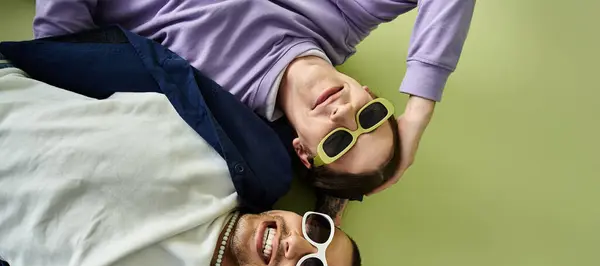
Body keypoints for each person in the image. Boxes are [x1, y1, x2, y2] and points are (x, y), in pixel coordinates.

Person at [0, 51, 437, 266]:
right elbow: (323, 113)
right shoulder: (250, 152)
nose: (300, 246)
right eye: (318, 231)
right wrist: (377, 159)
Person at [33, 0, 476, 218]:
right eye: (371, 117)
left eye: (339, 143)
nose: (343, 117)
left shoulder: (213, 102)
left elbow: (66, 50)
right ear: (367, 90)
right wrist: (418, 113)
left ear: (303, 150)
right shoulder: (341, 16)